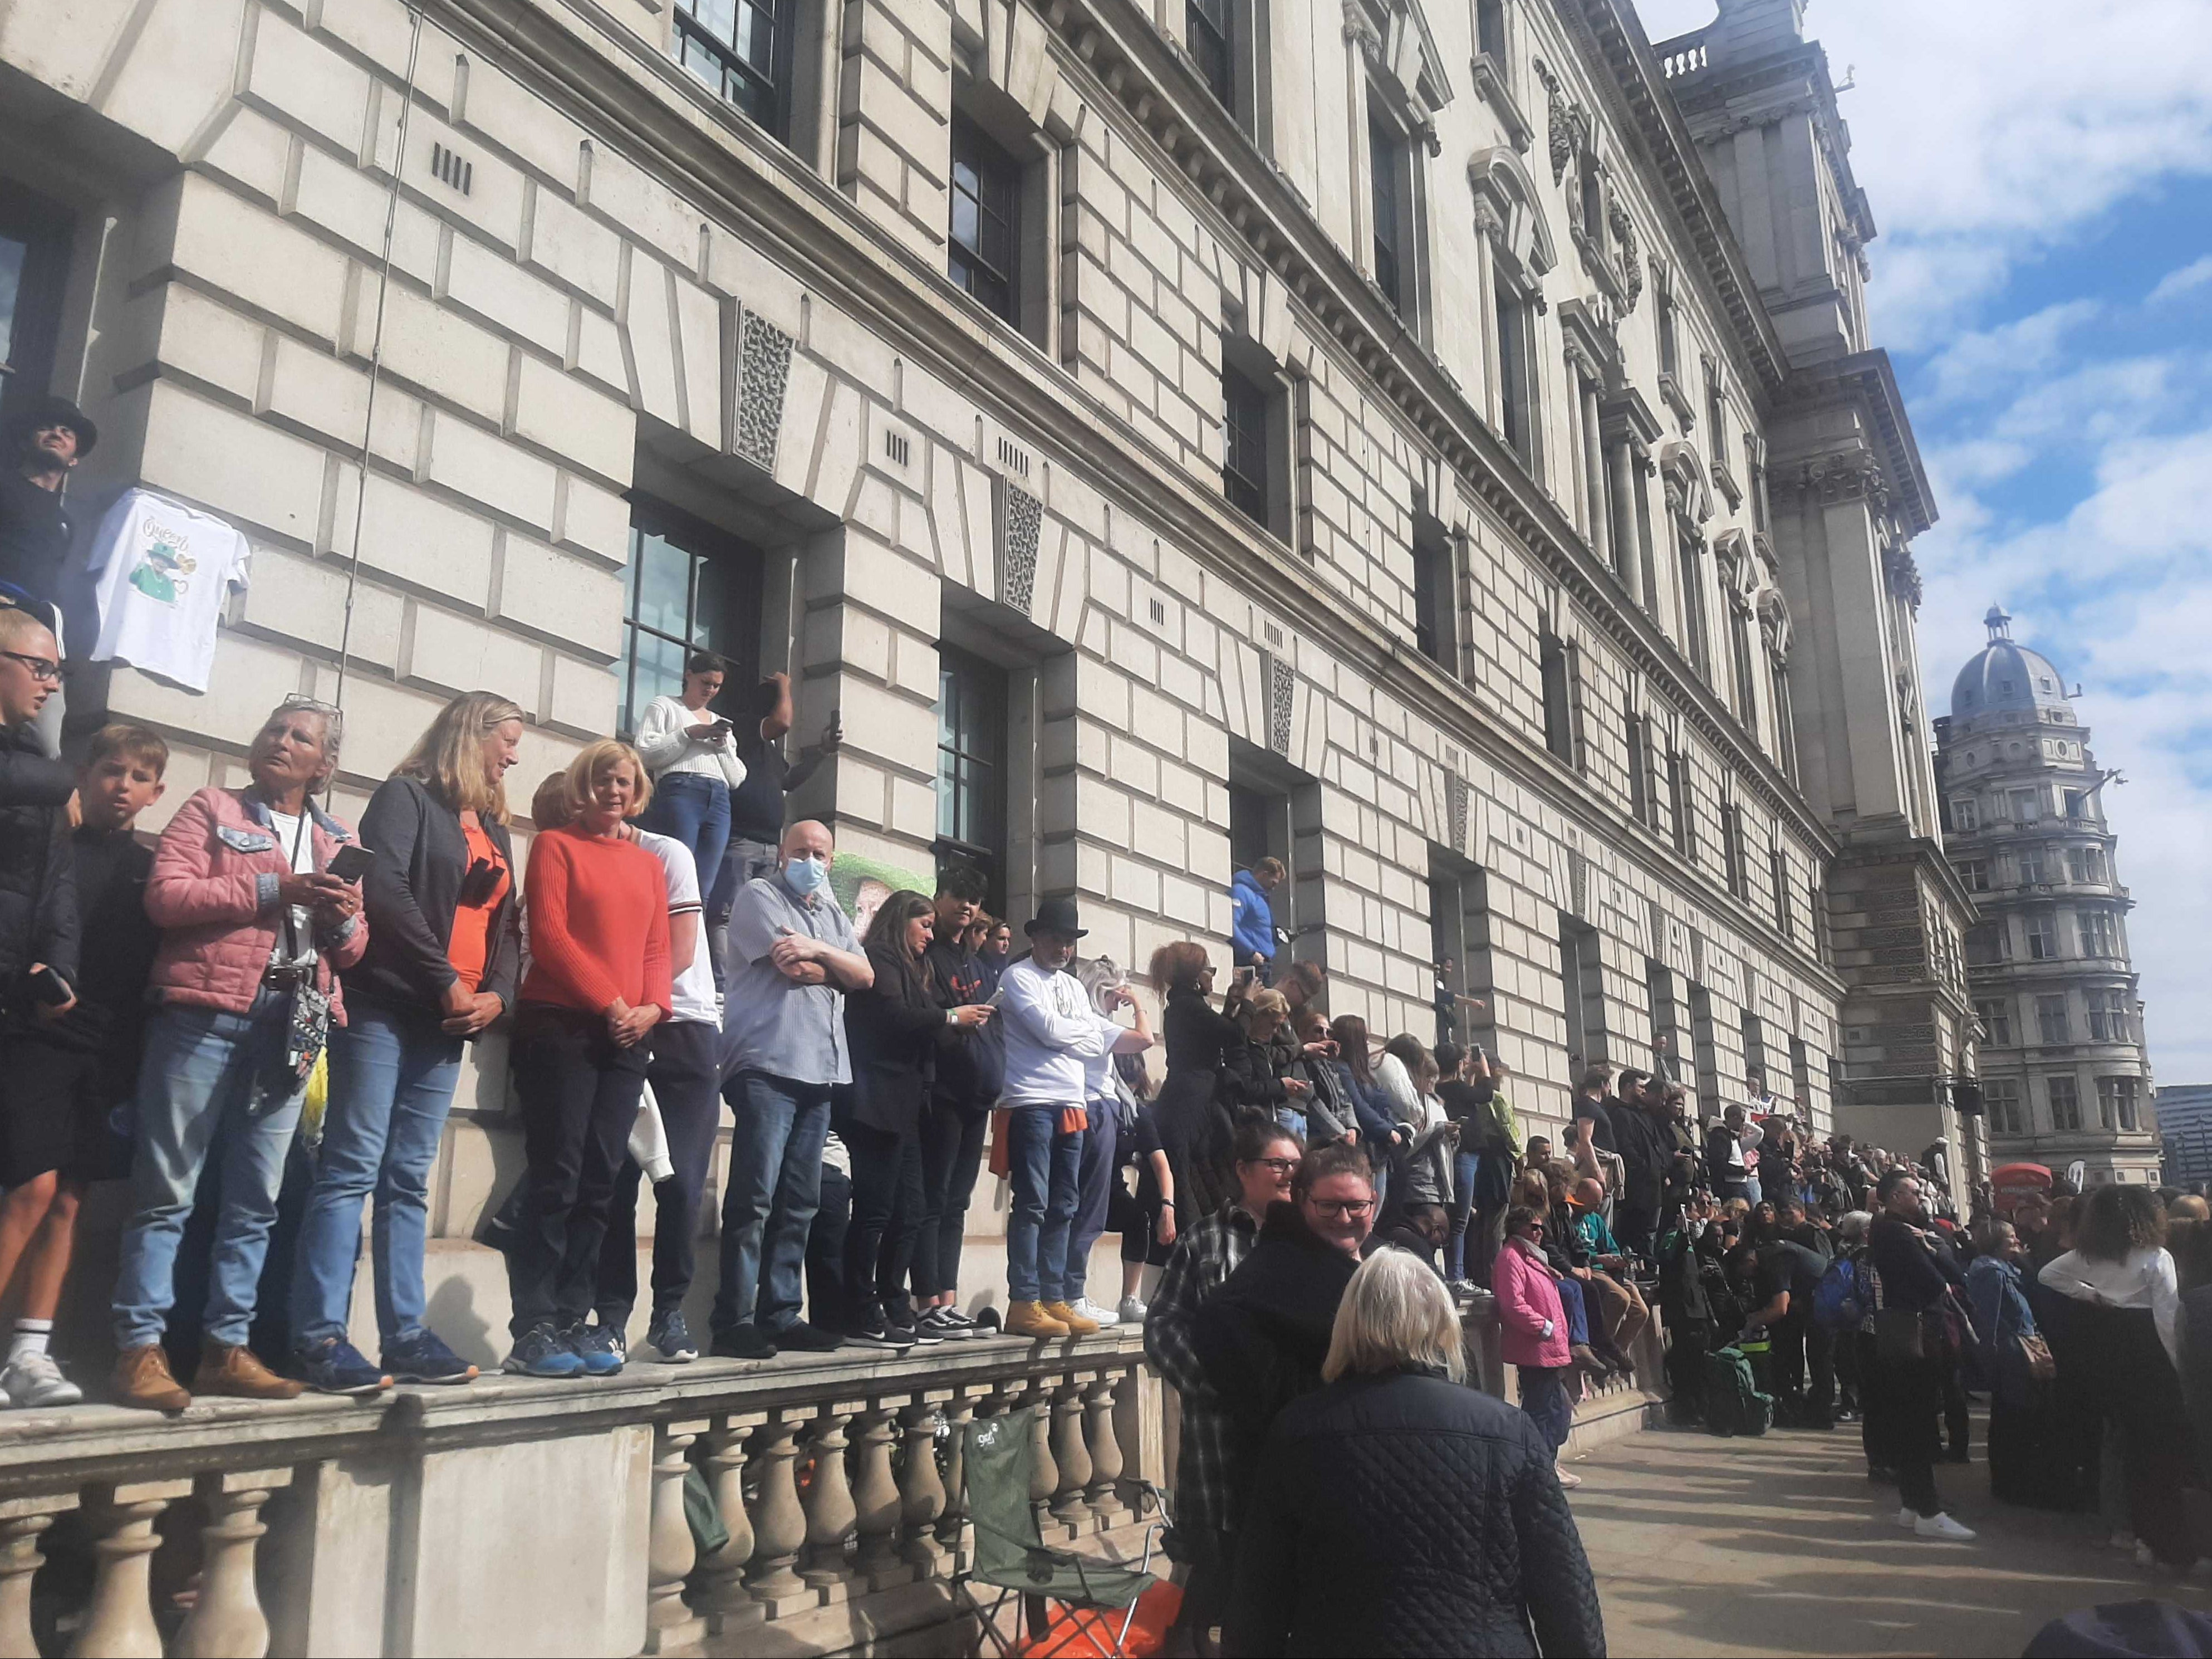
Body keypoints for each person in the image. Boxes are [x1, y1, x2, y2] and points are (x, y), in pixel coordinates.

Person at [110, 697, 366, 1411]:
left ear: (325, 765)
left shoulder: (337, 838)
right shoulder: (212, 807)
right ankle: (138, 1351)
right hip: (205, 1014)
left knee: (258, 1198)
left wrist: (339, 918)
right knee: (166, 1191)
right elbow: (166, 898)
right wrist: (271, 889)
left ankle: (227, 1349)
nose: (280, 741)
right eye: (274, 729)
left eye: (300, 737)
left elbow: (353, 951)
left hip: (293, 1022)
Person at [288, 693, 523, 1394]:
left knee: (407, 1180)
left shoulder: (496, 828)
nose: (512, 756)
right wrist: (445, 977)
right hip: (387, 1006)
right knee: (352, 1166)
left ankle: (405, 1335)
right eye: (506, 741)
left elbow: (511, 925)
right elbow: (385, 890)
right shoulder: (405, 796)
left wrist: (498, 996)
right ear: (470, 735)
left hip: (449, 1021)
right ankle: (320, 1336)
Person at [1222, 1250, 1606, 1659]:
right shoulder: (1508, 1431)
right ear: (1443, 1322)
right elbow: (1563, 1591)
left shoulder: (1297, 1432)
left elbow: (1258, 1598)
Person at [497, 748, 670, 1379]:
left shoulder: (650, 865)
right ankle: (534, 1325)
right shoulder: (554, 846)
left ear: (638, 790)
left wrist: (652, 1008)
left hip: (628, 1035)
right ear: (582, 786)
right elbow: (550, 935)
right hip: (563, 1027)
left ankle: (576, 1317)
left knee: (604, 1179)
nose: (613, 790)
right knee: (558, 1175)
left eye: (623, 781)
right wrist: (613, 1002)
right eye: (602, 780)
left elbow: (658, 947)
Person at [0, 721, 154, 1407]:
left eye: (139, 778)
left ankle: (30, 1355)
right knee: (28, 1189)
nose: (123, 787)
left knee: (69, 1198)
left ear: (156, 792)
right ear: (84, 776)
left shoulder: (151, 866)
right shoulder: (49, 844)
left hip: (107, 1046)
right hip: (39, 1036)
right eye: (112, 772)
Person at [710, 819, 872, 1359]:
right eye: (801, 851)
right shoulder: (759, 896)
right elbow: (794, 968)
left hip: (821, 1071)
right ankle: (733, 1317)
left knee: (800, 1202)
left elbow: (866, 976)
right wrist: (832, 963)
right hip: (767, 1065)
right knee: (755, 1197)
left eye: (820, 854)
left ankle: (780, 1313)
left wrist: (818, 952)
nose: (811, 861)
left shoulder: (829, 913)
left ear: (831, 860)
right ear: (782, 854)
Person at [1193, 1141, 1374, 1602]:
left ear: (1374, 1201)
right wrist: (1291, 1406)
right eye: (1328, 1205)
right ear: (1301, 1201)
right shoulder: (1282, 1263)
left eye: (1356, 1205)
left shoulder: (1355, 1266)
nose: (1344, 1217)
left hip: (1356, 1477)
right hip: (1296, 1484)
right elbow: (1213, 1322)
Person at [1144, 1122, 1300, 1652]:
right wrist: (1207, 1384)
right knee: (1209, 1565)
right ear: (1243, 1170)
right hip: (1216, 1439)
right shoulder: (1205, 1240)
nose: (1288, 1175)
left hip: (1285, 1435)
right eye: (1277, 1164)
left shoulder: (1306, 1242)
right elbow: (1162, 1324)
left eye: (1295, 1165)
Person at [594, 785, 730, 1365]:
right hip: (617, 1022)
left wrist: (639, 1003)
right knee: (613, 1181)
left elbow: (678, 950)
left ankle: (669, 1314)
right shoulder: (581, 855)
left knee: (681, 1183)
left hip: (683, 1025)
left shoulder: (667, 852)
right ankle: (610, 1319)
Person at [837, 889, 992, 1348]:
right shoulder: (881, 956)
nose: (929, 934)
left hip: (907, 1105)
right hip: (877, 1100)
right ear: (900, 920)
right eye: (923, 925)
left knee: (911, 1210)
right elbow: (892, 1016)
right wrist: (949, 1016)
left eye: (931, 927)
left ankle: (891, 1297)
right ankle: (860, 1305)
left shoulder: (915, 966)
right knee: (874, 1211)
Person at [995, 897, 1149, 1338]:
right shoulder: (1017, 976)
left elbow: (1098, 1037)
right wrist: (1083, 1035)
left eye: (1069, 941)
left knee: (1065, 1203)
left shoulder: (1072, 987)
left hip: (1072, 1102)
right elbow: (1052, 1031)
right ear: (1035, 937)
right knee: (1033, 1202)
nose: (1063, 948)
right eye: (1056, 939)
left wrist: (1077, 1036)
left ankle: (1055, 1295)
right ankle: (1024, 1298)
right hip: (1030, 1101)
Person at [2039, 1184, 2193, 1569]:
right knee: (2162, 1456)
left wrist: (2092, 1295)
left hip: (2110, 1351)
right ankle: (2169, 1545)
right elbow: (2166, 1318)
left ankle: (2142, 1536)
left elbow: (2046, 1274)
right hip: (2150, 1354)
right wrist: (2181, 1369)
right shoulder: (2155, 1256)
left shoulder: (2085, 1256)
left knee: (2129, 1452)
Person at [1863, 1168, 1973, 1539]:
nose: (1921, 1196)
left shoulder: (1885, 1230)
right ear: (1895, 1197)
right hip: (1917, 1335)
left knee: (1910, 1419)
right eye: (1913, 1191)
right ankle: (1927, 1509)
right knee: (1918, 1421)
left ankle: (1913, 1504)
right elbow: (1941, 1280)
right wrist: (1934, 1246)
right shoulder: (1898, 1233)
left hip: (1902, 1333)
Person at [711, 673, 837, 982]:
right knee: (728, 913)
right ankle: (724, 983)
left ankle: (760, 978)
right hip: (741, 840)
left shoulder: (769, 751)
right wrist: (785, 684)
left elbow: (789, 780)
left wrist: (821, 752)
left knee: (770, 915)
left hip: (770, 846)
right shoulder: (743, 729)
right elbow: (782, 722)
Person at [913, 866, 993, 1339]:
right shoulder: (928, 952)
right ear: (940, 896)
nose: (966, 906)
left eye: (975, 900)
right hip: (940, 1088)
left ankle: (947, 1299)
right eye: (959, 895)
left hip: (976, 1090)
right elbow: (926, 1015)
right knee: (933, 1196)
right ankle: (927, 1302)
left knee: (957, 1201)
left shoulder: (974, 961)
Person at [1065, 956, 1154, 1328]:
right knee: (1087, 1211)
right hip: (1094, 1112)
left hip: (1093, 1111)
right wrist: (1139, 1005)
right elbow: (1145, 1038)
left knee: (1083, 1208)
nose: (1119, 1002)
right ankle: (1072, 1293)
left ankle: (1070, 1292)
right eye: (1116, 994)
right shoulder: (1094, 1022)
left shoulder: (1085, 1020)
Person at [634, 650, 744, 932]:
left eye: (716, 686)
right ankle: (662, 940)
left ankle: (692, 951)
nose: (710, 690)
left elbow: (736, 778)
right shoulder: (665, 706)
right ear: (688, 676)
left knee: (703, 885)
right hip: (681, 789)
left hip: (719, 799)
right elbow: (645, 753)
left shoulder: (721, 723)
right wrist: (690, 733)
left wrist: (719, 744)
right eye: (705, 682)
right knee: (677, 874)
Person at [1149, 941, 1246, 1236]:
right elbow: (1234, 1035)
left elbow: (1216, 1033)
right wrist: (1250, 1004)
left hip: (1190, 1095)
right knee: (1189, 1172)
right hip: (1192, 1100)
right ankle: (1192, 1237)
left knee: (1204, 1168)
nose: (1212, 977)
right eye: (1209, 971)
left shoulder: (1183, 1005)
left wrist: (1231, 1006)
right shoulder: (1188, 1006)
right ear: (1195, 975)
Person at [1966, 1218, 2060, 1508]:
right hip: (2011, 1354)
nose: (2017, 1241)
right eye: (2011, 1238)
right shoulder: (1991, 1274)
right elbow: (1988, 1321)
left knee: (2016, 1416)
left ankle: (2015, 1478)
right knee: (2012, 1418)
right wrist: (1991, 1360)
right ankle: (2010, 1482)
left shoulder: (2010, 1270)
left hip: (2019, 1348)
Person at [1493, 1205, 1577, 1484]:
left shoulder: (1532, 1257)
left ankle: (1546, 1463)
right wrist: (1544, 1327)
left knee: (1558, 1410)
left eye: (1541, 1227)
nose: (1539, 1232)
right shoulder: (1511, 1258)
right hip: (1534, 1350)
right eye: (1533, 1226)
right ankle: (1538, 1470)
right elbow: (1512, 1303)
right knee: (1543, 1412)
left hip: (1549, 1349)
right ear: (1517, 1228)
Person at [0, 397, 94, 627]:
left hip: (31, 630)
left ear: (74, 460)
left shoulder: (66, 525)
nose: (56, 434)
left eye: (67, 433)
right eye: (46, 428)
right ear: (25, 443)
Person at [1743, 1194, 1833, 1427]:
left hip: (1818, 1300)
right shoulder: (1784, 1240)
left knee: (1819, 1357)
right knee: (1803, 1354)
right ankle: (1801, 1403)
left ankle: (1821, 1410)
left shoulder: (1811, 1234)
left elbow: (1824, 1265)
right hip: (1800, 1304)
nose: (1785, 1218)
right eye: (1783, 1214)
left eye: (1790, 1213)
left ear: (1802, 1213)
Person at [1228, 856, 1284, 982]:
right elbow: (1230, 925)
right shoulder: (1241, 892)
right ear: (1264, 875)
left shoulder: (1259, 898)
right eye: (1273, 882)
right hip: (1251, 961)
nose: (1273, 888)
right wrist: (1250, 952)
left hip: (1262, 962)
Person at [1705, 1103, 1753, 1202]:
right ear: (1734, 1118)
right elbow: (1719, 1164)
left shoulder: (1733, 1137)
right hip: (1730, 1187)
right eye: (1742, 1120)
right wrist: (1742, 1170)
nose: (1743, 1124)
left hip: (1741, 1184)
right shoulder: (1720, 1137)